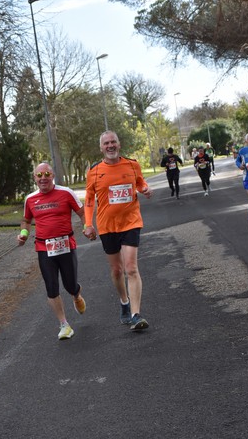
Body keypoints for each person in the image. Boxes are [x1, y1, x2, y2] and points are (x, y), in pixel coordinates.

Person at [83, 130, 153, 331]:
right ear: (101, 148)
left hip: (131, 222)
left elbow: (140, 182)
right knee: (117, 270)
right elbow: (88, 200)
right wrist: (88, 224)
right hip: (107, 226)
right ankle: (124, 301)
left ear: (119, 144)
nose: (110, 146)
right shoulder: (95, 171)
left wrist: (145, 189)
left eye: (113, 142)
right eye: (106, 143)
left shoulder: (132, 164)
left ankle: (135, 314)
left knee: (131, 268)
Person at [17, 163, 87, 341]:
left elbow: (82, 212)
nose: (43, 178)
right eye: (39, 175)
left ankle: (76, 294)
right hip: (43, 248)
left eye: (46, 174)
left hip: (66, 245)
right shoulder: (30, 199)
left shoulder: (66, 193)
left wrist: (88, 226)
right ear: (35, 178)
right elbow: (26, 220)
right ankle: (64, 325)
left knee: (70, 284)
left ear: (53, 175)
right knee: (51, 287)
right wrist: (24, 234)